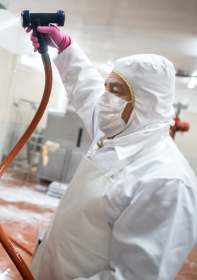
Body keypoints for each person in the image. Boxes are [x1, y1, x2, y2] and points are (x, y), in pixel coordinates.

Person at [26, 26, 197, 280]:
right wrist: (65, 48)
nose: (105, 99)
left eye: (115, 91)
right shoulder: (116, 132)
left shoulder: (167, 181)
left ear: (147, 103)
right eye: (106, 88)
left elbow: (137, 276)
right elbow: (87, 90)